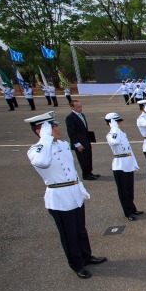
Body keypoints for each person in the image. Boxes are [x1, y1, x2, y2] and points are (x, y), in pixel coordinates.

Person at [25, 111, 107, 279]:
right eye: (51, 126)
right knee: (69, 234)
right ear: (40, 131)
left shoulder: (62, 145)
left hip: (74, 193)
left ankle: (86, 256)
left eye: (55, 125)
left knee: (80, 230)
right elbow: (42, 162)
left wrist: (81, 187)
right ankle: (76, 264)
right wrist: (46, 138)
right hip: (59, 198)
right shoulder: (37, 150)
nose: (57, 128)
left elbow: (72, 169)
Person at [105, 112, 143, 221]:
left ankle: (132, 208)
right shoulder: (111, 135)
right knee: (123, 191)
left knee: (129, 189)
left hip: (128, 162)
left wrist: (134, 163)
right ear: (112, 123)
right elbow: (115, 142)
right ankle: (128, 212)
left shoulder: (122, 133)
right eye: (117, 121)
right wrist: (114, 128)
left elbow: (129, 150)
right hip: (120, 165)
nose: (120, 123)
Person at [65, 100, 100, 181]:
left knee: (88, 158)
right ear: (72, 107)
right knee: (83, 159)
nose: (80, 108)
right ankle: (86, 174)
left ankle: (90, 172)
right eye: (78, 107)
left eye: (81, 106)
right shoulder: (70, 117)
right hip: (80, 143)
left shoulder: (82, 115)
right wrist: (77, 144)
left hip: (86, 141)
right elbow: (71, 133)